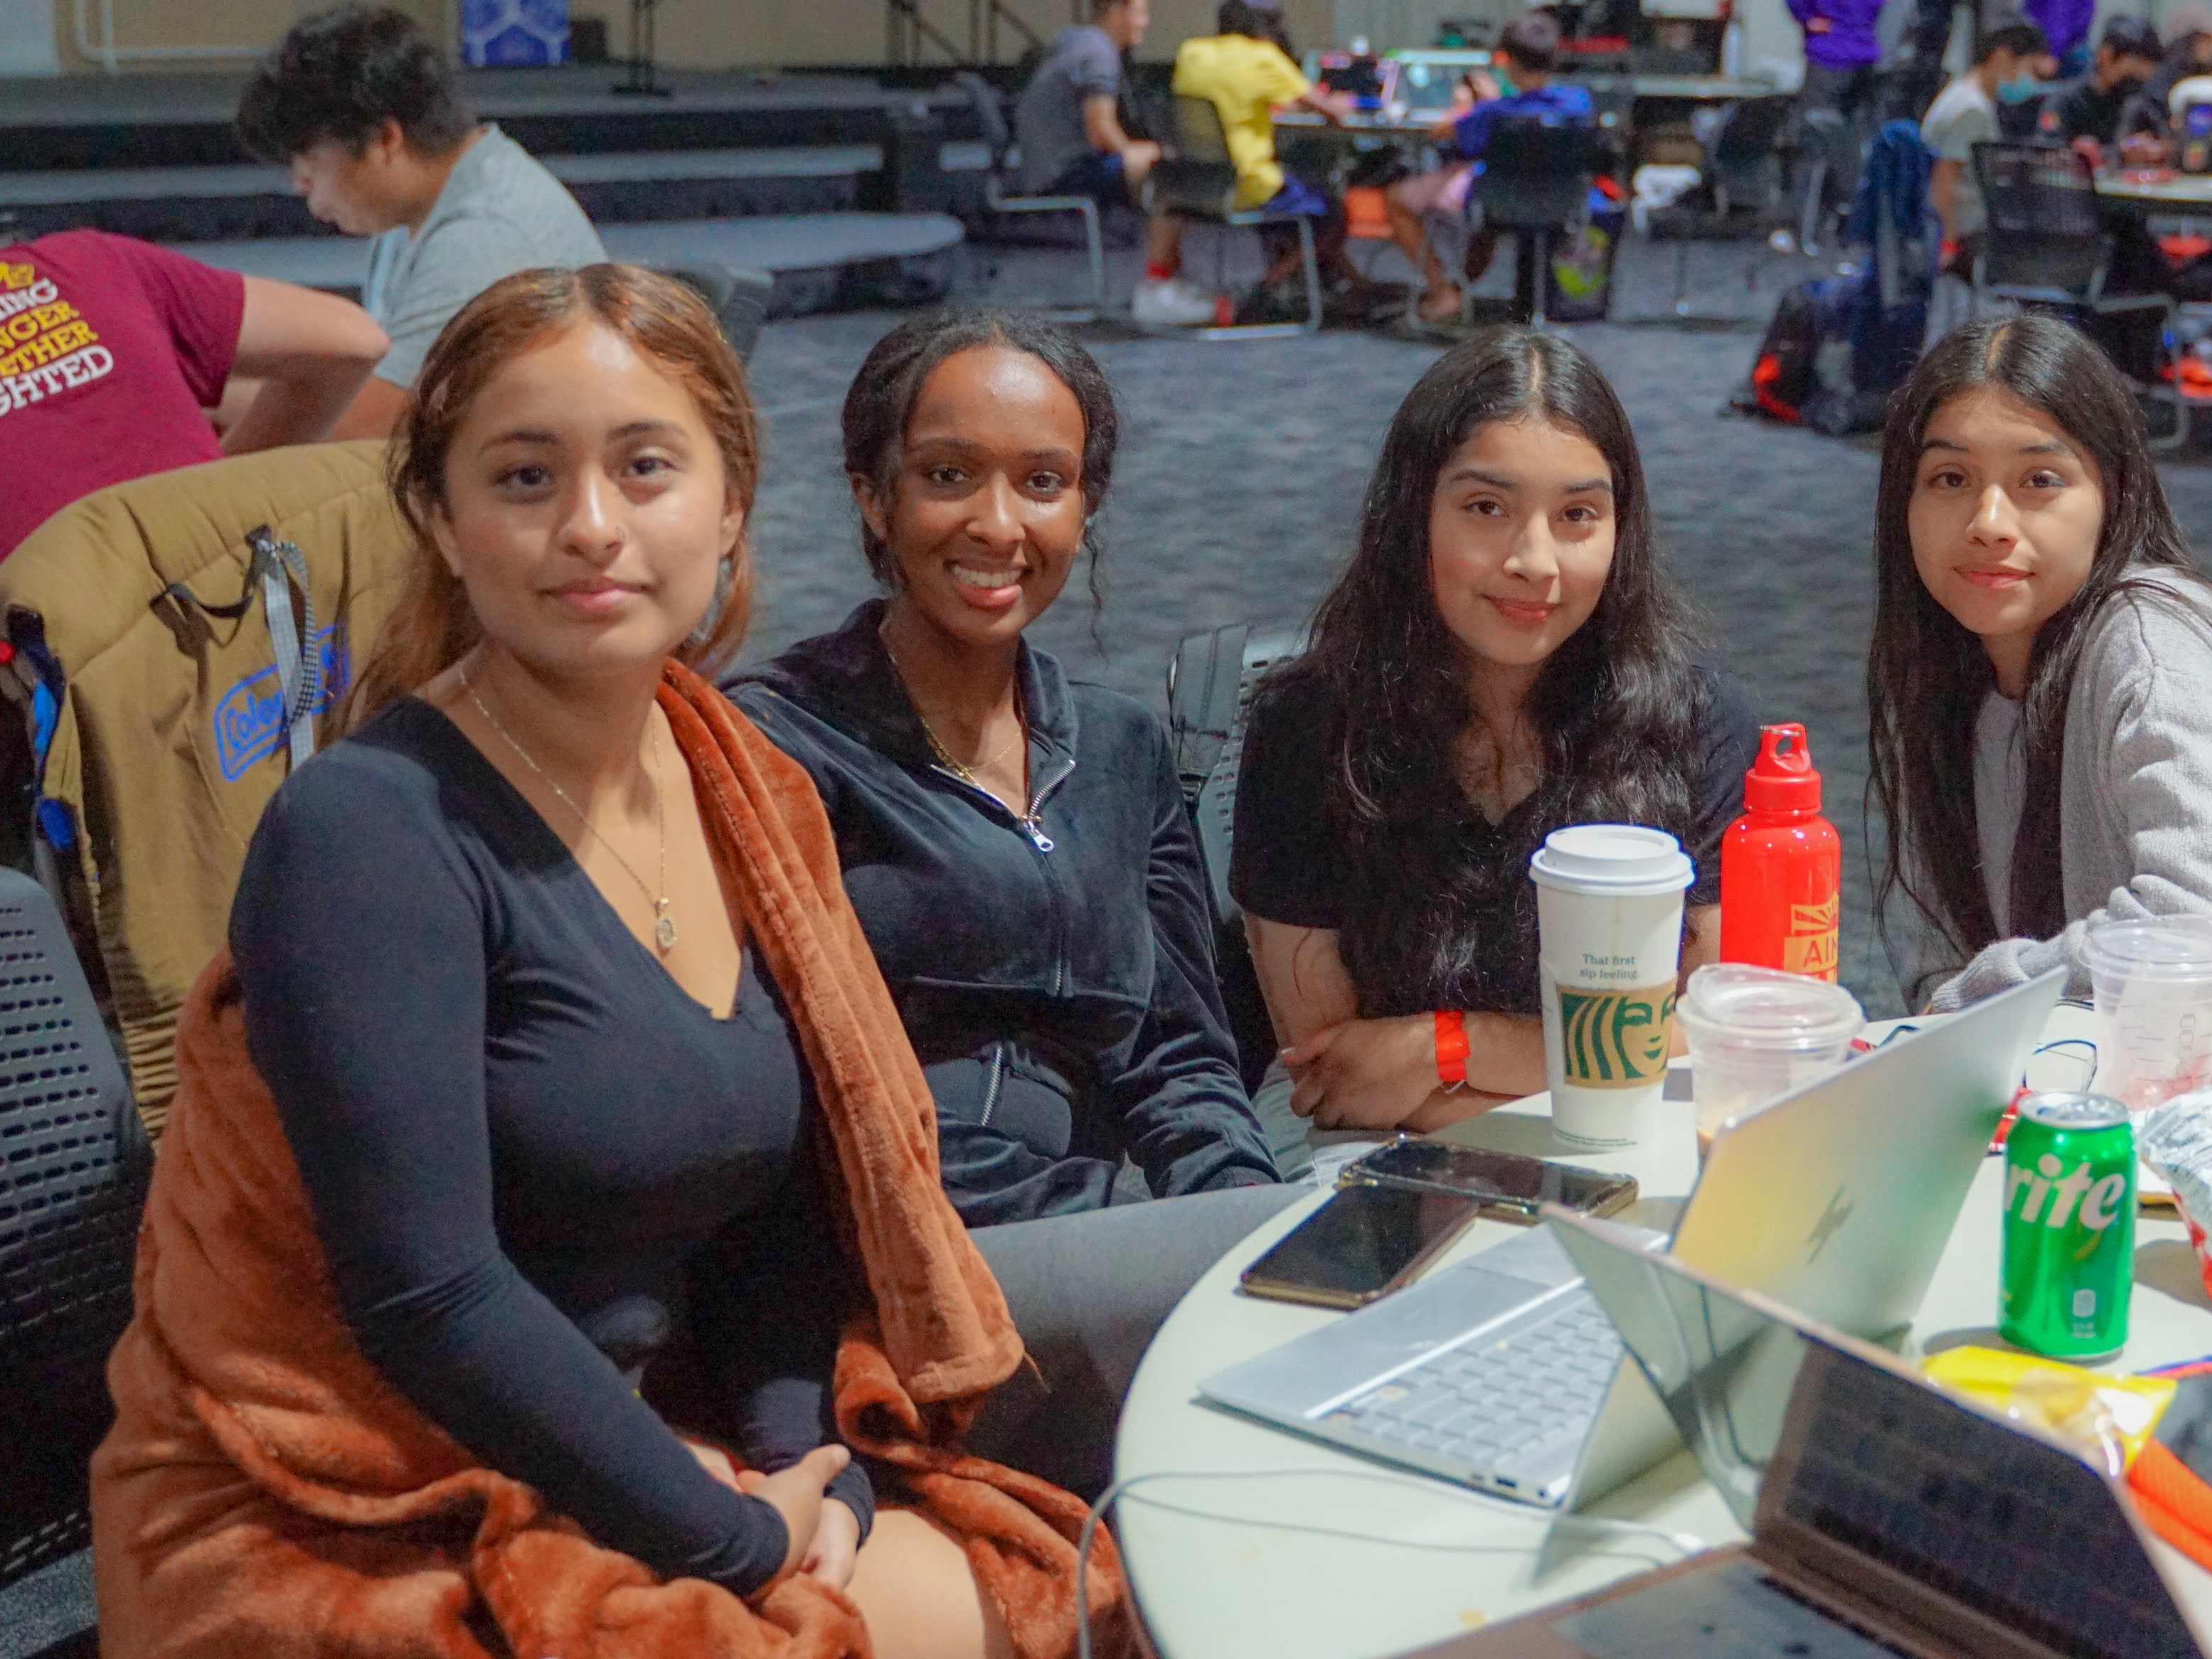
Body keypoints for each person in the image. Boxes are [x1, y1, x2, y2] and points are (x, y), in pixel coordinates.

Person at [86, 265, 1137, 1659]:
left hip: (638, 1442)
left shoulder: (738, 786)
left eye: (646, 466)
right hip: (359, 1500)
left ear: (730, 505)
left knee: (1077, 1585)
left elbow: (769, 1201)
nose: (590, 526)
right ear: (446, 524)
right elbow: (426, 1298)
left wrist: (797, 1465)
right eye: (524, 477)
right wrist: (739, 1539)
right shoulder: (367, 831)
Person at [725, 309, 1284, 1227]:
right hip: (891, 1238)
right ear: (874, 495)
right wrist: (1135, 1231)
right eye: (949, 476)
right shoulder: (784, 738)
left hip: (1092, 1231)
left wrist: (1243, 1215)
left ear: (1083, 504)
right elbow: (813, 1094)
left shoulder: (1118, 746)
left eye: (1041, 482)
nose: (997, 523)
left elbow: (1181, 1057)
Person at [1230, 329, 1757, 1156]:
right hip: (1387, 1155)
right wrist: (1599, 1079)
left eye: (1578, 514)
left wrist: (1452, 1044)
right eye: (1486, 508)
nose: (1535, 560)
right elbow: (1339, 1077)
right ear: (1413, 517)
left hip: (1639, 1148)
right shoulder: (1307, 725)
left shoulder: (1694, 717)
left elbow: (1724, 1028)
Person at [1865, 314, 2212, 1010]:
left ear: (2113, 496)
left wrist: (1986, 992)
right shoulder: (1960, 673)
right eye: (1949, 477)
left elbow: (2209, 925)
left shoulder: (2153, 642)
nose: (1989, 521)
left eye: (2038, 479)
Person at [0, 230, 385, 616]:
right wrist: (214, 499)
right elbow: (353, 342)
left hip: (73, 690)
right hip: (256, 641)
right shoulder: (85, 261)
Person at [235, 3, 605, 439]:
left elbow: (360, 430)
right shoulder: (423, 204)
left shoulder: (482, 238)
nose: (300, 182)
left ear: (385, 140)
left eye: (308, 157)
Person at [1136, 0, 1358, 328]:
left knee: (1299, 202)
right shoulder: (1264, 57)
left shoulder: (1192, 52)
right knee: (1332, 213)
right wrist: (1340, 102)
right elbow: (1328, 109)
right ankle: (1264, 290)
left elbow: (1230, 103)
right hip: (1249, 185)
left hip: (1198, 184)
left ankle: (1325, 285)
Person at [1383, 11, 1594, 329]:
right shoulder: (1579, 104)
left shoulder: (1492, 112)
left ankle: (1442, 292)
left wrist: (1474, 105)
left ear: (1507, 60)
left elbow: (1444, 133)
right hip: (1563, 202)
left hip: (1497, 202)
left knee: (1398, 198)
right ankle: (1459, 288)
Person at [1923, 16, 2052, 271]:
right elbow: (1945, 179)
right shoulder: (1972, 110)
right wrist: (1947, 241)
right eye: (2027, 69)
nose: (2029, 81)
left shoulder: (1963, 93)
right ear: (2002, 56)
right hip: (1963, 236)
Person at [1013, 0, 1164, 213]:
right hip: (1061, 178)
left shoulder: (1076, 41)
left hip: (1040, 172)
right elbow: (1101, 132)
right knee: (1166, 163)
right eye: (1140, 13)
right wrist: (1136, 154)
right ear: (1116, 12)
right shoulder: (1098, 54)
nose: (1145, 23)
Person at [1787, 0, 1885, 235]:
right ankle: (1857, 223)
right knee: (1858, 145)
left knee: (1813, 141)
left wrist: (1807, 19)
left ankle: (1805, 226)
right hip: (1865, 53)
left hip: (1828, 54)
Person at [2037, 14, 2166, 153]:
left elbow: (2165, 141)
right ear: (2106, 55)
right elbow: (2047, 152)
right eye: (2131, 72)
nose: (2137, 81)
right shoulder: (2064, 103)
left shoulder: (2141, 105)